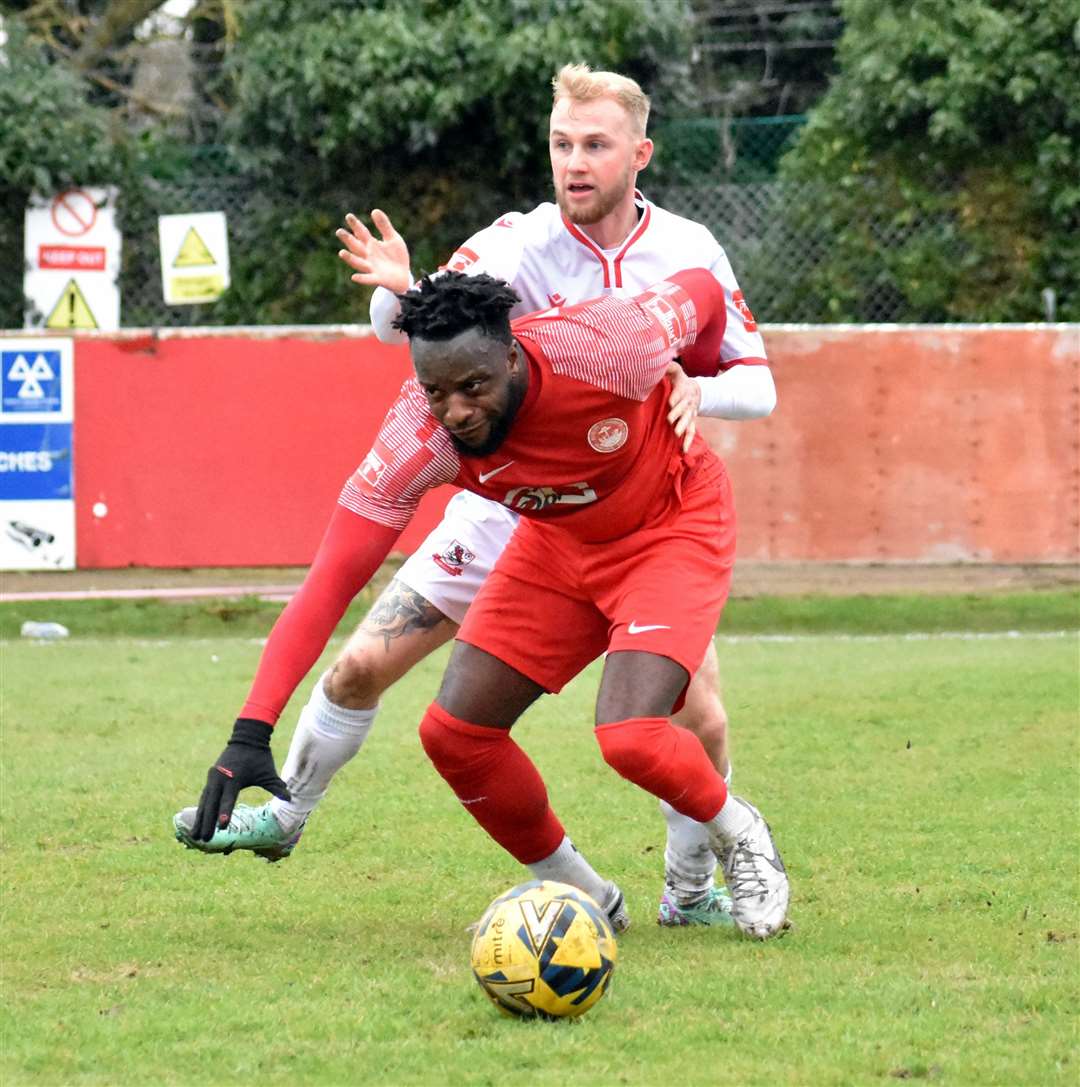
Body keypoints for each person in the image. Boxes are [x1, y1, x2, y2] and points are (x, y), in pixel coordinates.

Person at [174, 63, 776, 929]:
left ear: (639, 153)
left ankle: (690, 888)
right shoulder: (512, 244)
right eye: (562, 144)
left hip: (642, 506)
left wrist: (694, 388)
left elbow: (753, 383)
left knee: (690, 712)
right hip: (505, 506)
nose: (575, 162)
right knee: (366, 666)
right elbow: (426, 332)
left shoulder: (685, 254)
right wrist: (398, 289)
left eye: (595, 145)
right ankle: (281, 811)